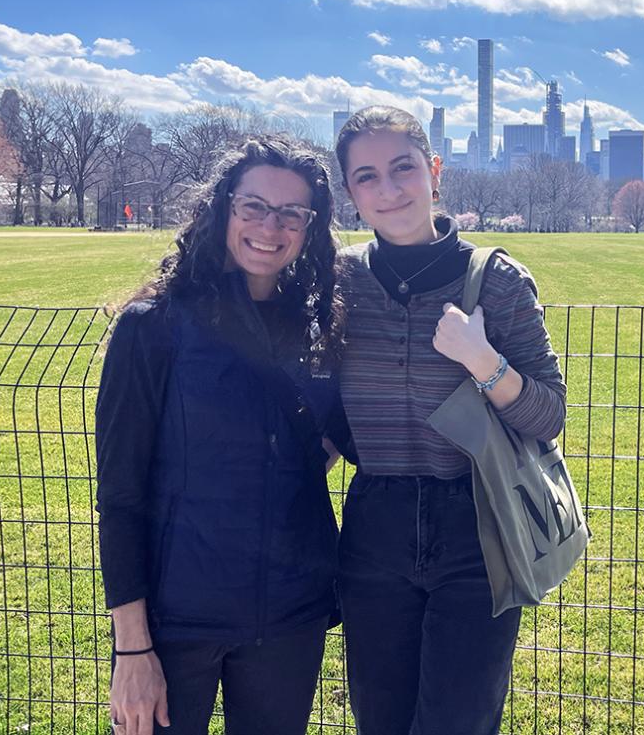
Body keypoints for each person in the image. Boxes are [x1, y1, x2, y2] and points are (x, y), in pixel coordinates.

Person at [95, 136, 353, 735]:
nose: (272, 226)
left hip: (290, 616)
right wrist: (132, 650)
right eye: (254, 206)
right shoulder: (153, 327)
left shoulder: (319, 328)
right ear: (224, 208)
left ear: (311, 228)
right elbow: (120, 497)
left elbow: (345, 429)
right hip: (174, 622)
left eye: (293, 213)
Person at [334, 105, 567, 735]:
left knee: (458, 721)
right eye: (367, 177)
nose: (390, 189)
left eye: (403, 168)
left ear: (434, 171)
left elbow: (549, 415)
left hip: (478, 524)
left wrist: (483, 362)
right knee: (380, 719)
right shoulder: (338, 282)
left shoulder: (496, 280)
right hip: (374, 526)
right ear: (350, 194)